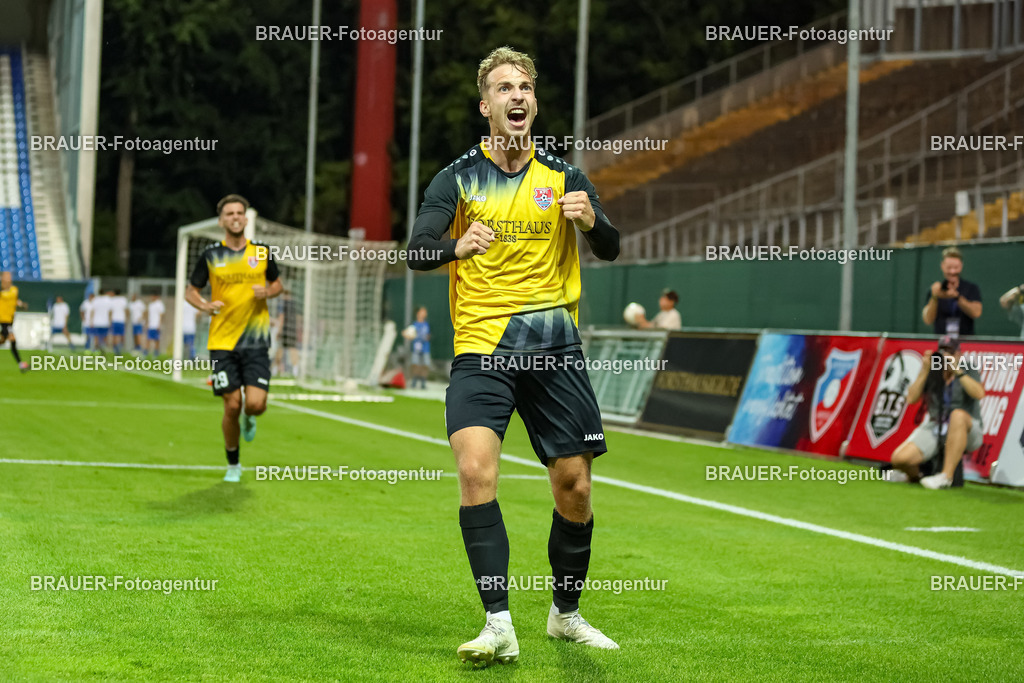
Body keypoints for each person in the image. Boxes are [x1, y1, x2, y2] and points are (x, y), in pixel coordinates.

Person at [407, 46, 621, 667]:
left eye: (524, 87)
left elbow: (610, 246)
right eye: (504, 88)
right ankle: (497, 623)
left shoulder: (565, 178)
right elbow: (417, 249)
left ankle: (565, 614)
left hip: (555, 350)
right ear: (486, 106)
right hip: (483, 348)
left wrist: (592, 222)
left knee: (574, 486)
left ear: (534, 102)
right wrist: (455, 245)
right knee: (475, 471)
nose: (517, 96)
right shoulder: (456, 179)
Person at [186, 194, 282, 483]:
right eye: (230, 213)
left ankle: (250, 417)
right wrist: (204, 305)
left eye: (240, 212)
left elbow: (277, 283)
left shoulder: (261, 252)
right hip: (222, 342)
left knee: (254, 404)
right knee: (231, 405)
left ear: (246, 218)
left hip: (255, 341)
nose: (236, 217)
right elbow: (191, 291)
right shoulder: (211, 255)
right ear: (221, 221)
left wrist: (268, 292)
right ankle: (233, 464)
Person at [889, 335, 985, 490]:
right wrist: (924, 370)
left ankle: (946, 477)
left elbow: (979, 393)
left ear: (958, 354)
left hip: (968, 429)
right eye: (943, 352)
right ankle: (916, 476)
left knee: (957, 415)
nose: (946, 356)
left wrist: (957, 371)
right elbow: (911, 398)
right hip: (936, 425)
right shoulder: (933, 370)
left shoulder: (968, 367)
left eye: (950, 352)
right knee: (899, 459)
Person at [922, 247, 982, 336]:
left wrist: (957, 297)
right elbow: (928, 320)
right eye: (949, 267)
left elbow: (976, 313)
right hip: (941, 339)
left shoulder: (971, 288)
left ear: (961, 266)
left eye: (956, 267)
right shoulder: (936, 289)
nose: (952, 271)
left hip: (965, 339)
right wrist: (935, 297)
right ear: (942, 266)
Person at [0, 271, 29, 372]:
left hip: (10, 320)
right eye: (6, 277)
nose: (8, 279)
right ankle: (21, 364)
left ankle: (21, 364)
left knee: (3, 340)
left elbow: (14, 300)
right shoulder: (3, 292)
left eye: (9, 277)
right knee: (12, 339)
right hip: (4, 320)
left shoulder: (14, 290)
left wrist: (22, 304)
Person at [273, 290, 299, 376]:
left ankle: (275, 369)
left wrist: (279, 331)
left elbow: (281, 317)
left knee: (280, 348)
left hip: (284, 330)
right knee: (292, 349)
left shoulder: (282, 304)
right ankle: (295, 370)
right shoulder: (294, 305)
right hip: (292, 330)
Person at [409, 306, 431, 389]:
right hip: (416, 348)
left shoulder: (427, 324)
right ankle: (414, 381)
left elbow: (429, 335)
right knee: (415, 364)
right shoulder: (414, 325)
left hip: (425, 348)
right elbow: (409, 335)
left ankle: (423, 382)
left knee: (425, 364)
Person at [109, 289, 129, 354]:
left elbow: (111, 311)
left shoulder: (112, 300)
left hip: (114, 319)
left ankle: (115, 349)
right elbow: (126, 310)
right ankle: (121, 347)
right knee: (122, 335)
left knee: (114, 335)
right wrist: (126, 318)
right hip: (121, 319)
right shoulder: (123, 300)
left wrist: (110, 320)